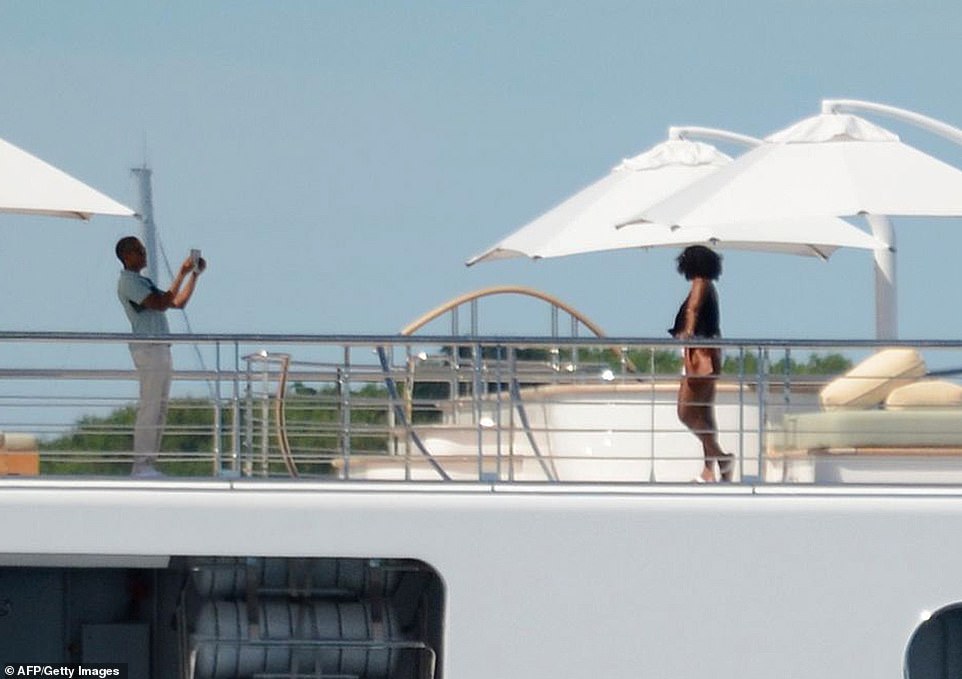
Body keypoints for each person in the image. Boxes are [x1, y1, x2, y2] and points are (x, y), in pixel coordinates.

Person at [115, 237, 206, 477]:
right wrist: (181, 272)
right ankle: (141, 463)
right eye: (138, 251)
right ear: (127, 255)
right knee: (150, 405)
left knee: (160, 407)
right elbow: (160, 303)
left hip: (160, 347)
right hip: (148, 348)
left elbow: (177, 302)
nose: (144, 253)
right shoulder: (128, 283)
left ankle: (149, 461)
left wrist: (193, 276)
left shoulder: (142, 281)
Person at [668, 245, 734, 483]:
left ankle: (722, 459)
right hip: (710, 351)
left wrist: (687, 331)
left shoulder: (699, 283)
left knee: (685, 412)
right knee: (704, 414)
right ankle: (709, 469)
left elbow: (693, 309)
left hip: (700, 353)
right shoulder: (709, 285)